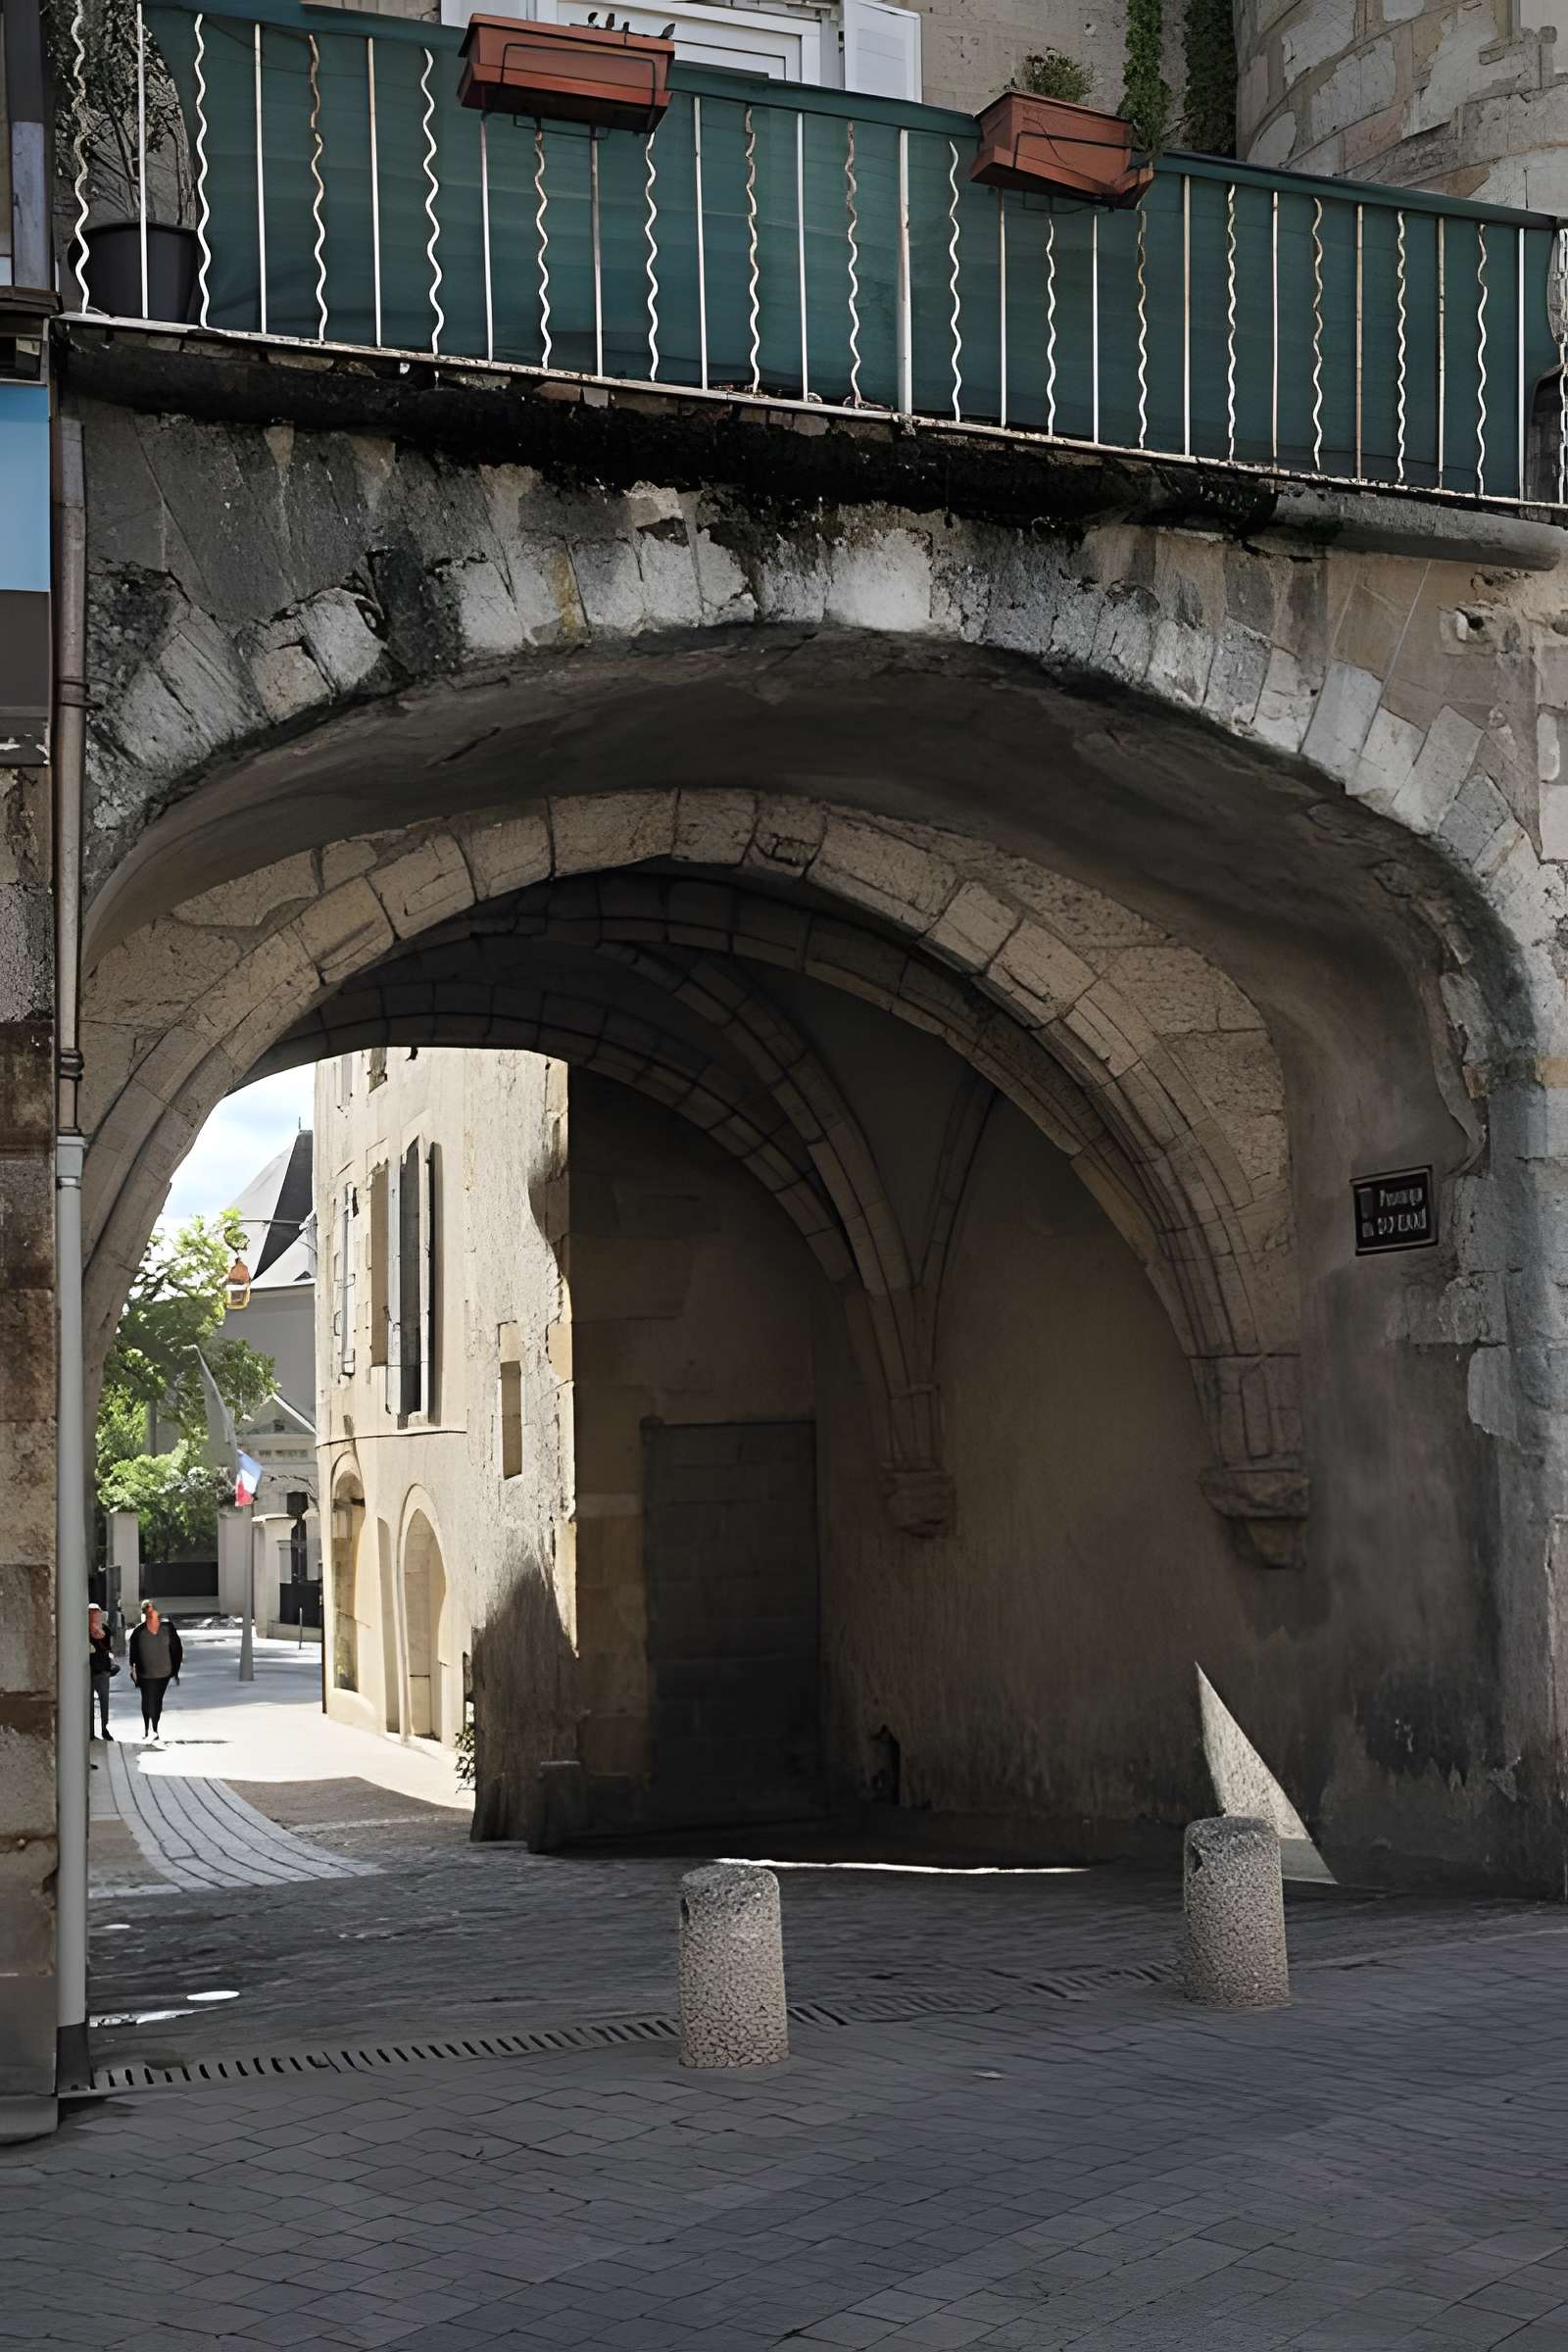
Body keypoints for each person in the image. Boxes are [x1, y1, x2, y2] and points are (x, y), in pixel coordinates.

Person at [127, 1603, 182, 1744]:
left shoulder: (167, 1629)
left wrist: (175, 1670)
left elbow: (177, 1649)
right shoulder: (139, 1632)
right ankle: (147, 1728)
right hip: (145, 1672)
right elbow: (133, 1654)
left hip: (164, 1671)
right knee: (146, 1698)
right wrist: (133, 1670)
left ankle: (155, 1728)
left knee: (157, 1700)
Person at [88, 1604, 118, 1741]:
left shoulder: (105, 1629)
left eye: (97, 1614)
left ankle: (104, 1729)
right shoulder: (83, 1630)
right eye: (92, 1614)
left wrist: (99, 1635)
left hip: (103, 1671)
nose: (95, 1617)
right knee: (88, 1704)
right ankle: (90, 1731)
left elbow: (109, 1648)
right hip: (88, 1671)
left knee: (104, 1701)